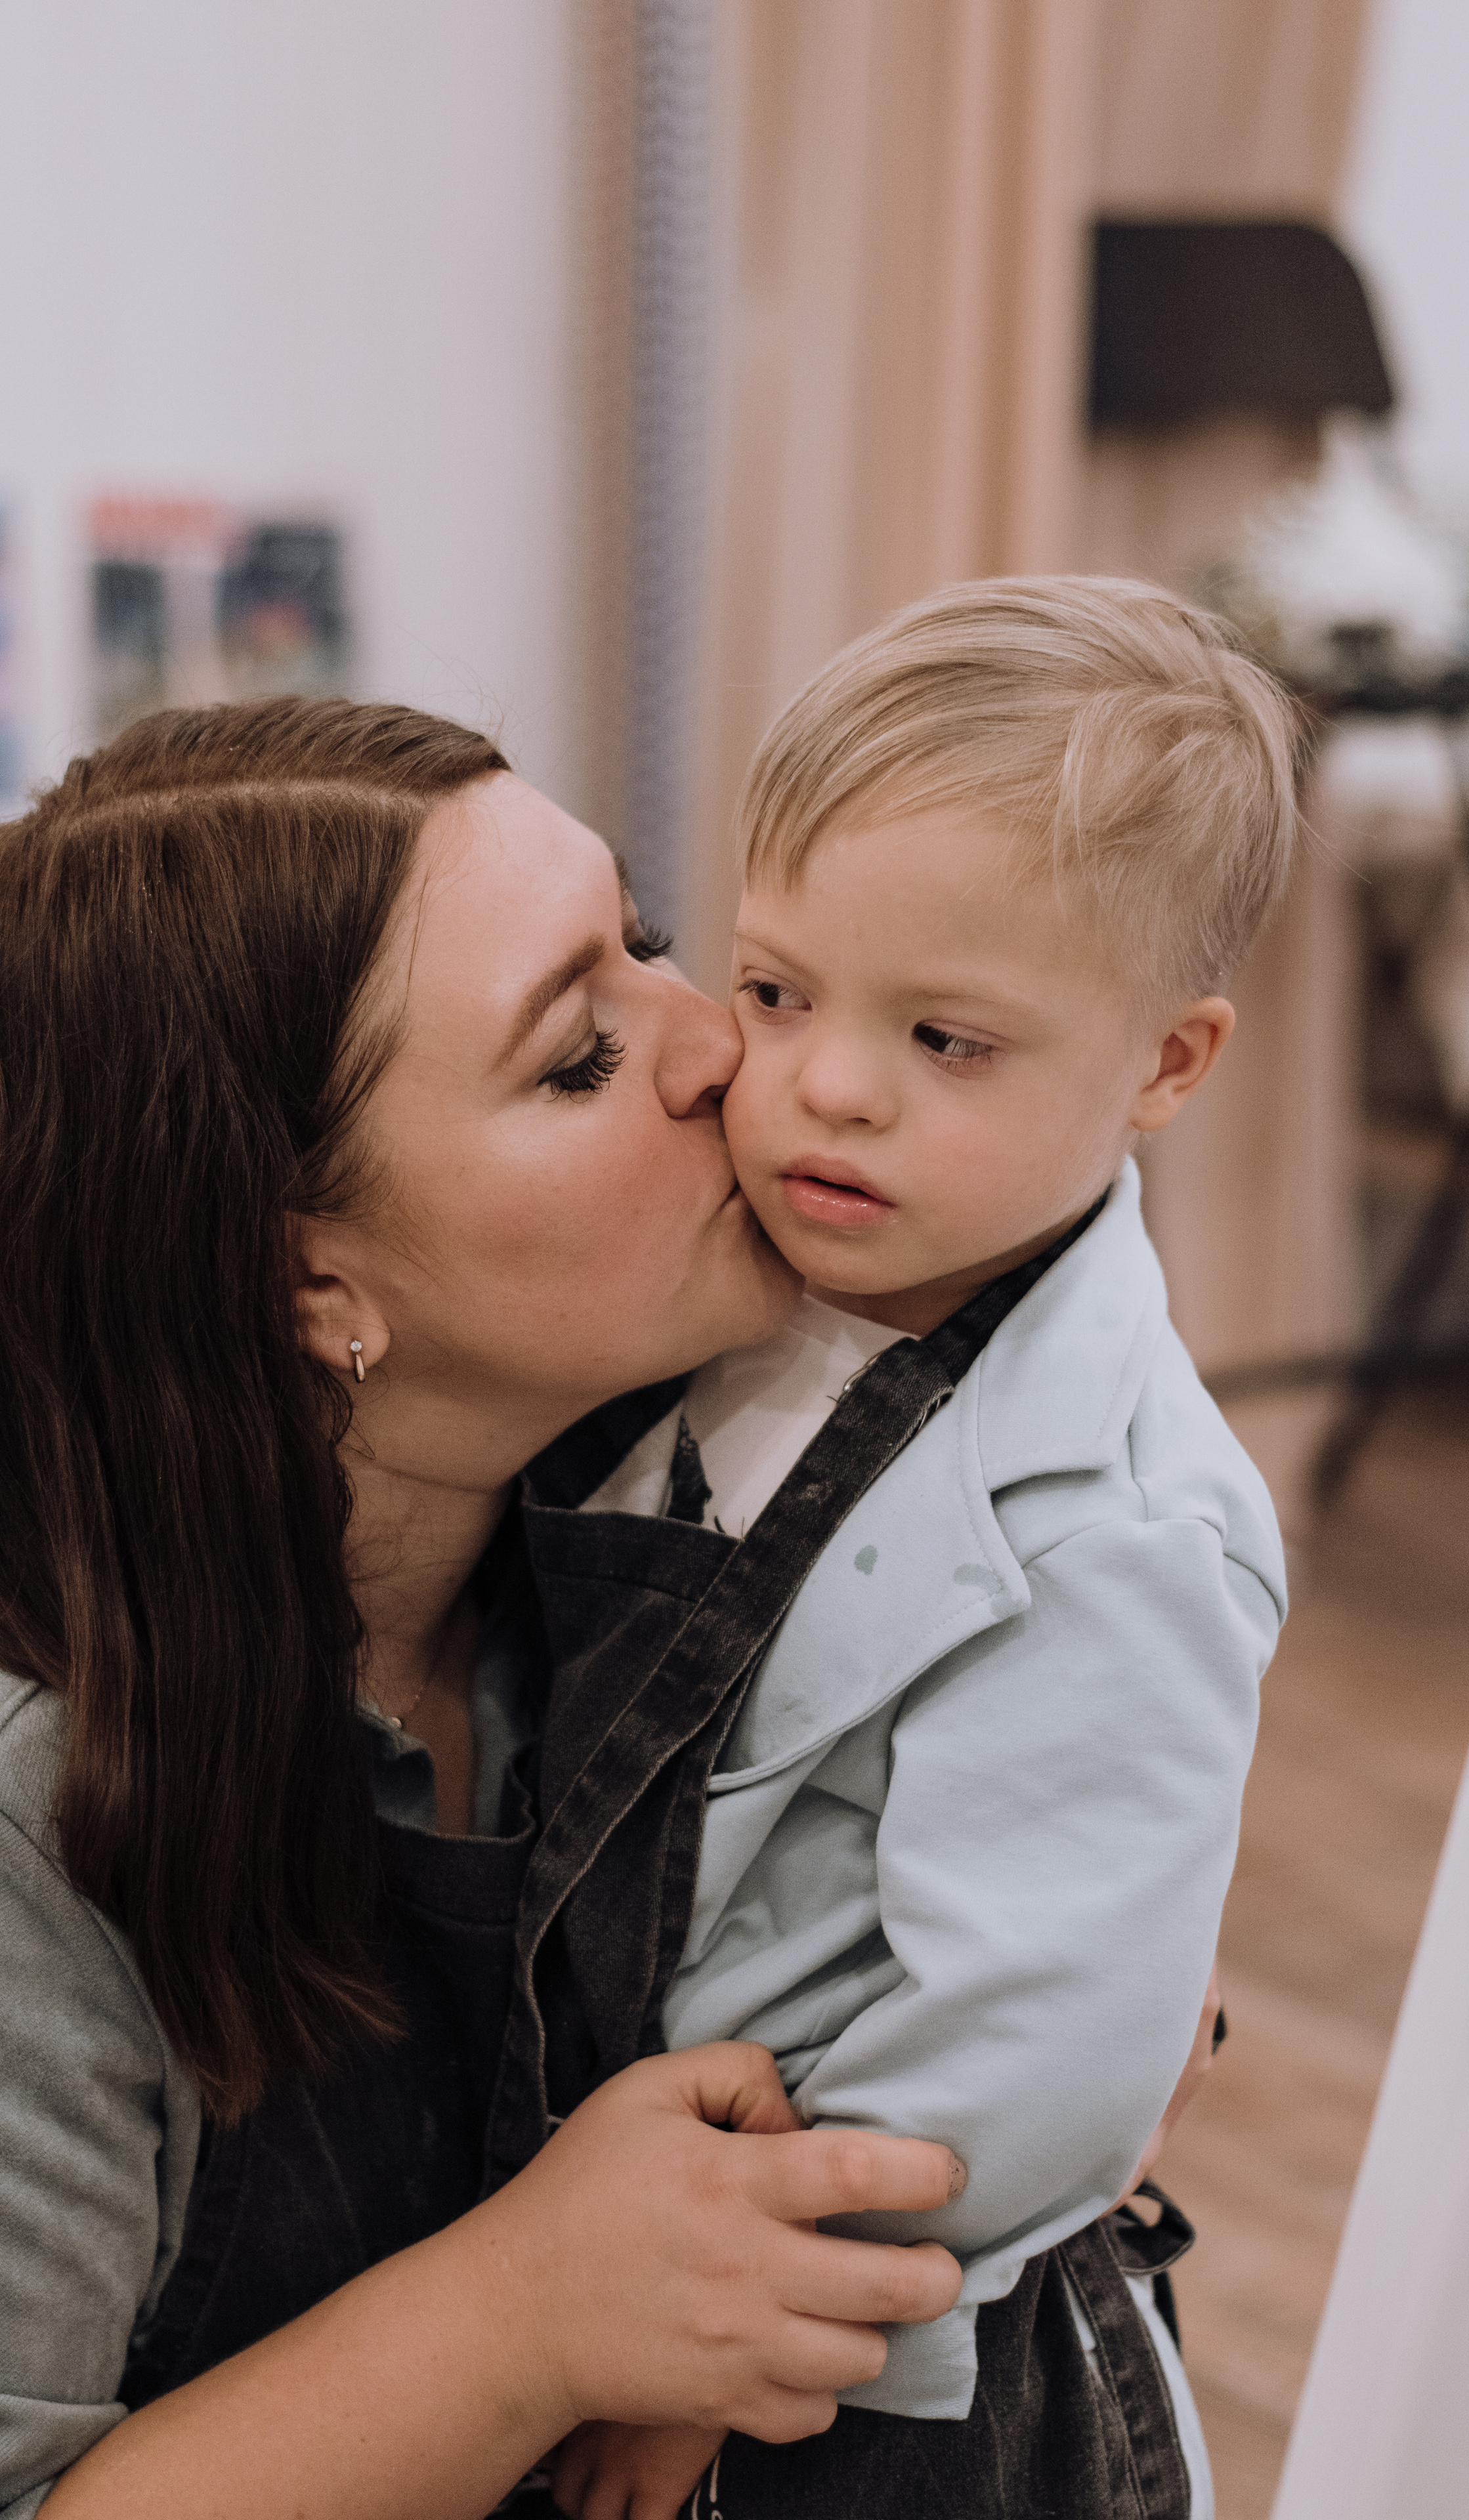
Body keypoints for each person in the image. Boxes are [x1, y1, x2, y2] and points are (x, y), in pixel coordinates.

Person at [0, 699, 977, 2520]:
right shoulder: (30, 1817)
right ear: (310, 1276)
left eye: (655, 948)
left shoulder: (697, 1526)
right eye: (578, 1058)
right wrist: (530, 2316)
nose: (727, 1048)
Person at [529, 579, 1297, 2520]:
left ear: (1167, 1063)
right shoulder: (748, 1271)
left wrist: (732, 2332)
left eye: (947, 1038)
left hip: (868, 2389)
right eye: (778, 992)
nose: (830, 1084)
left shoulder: (1118, 1526)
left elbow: (1033, 2051)